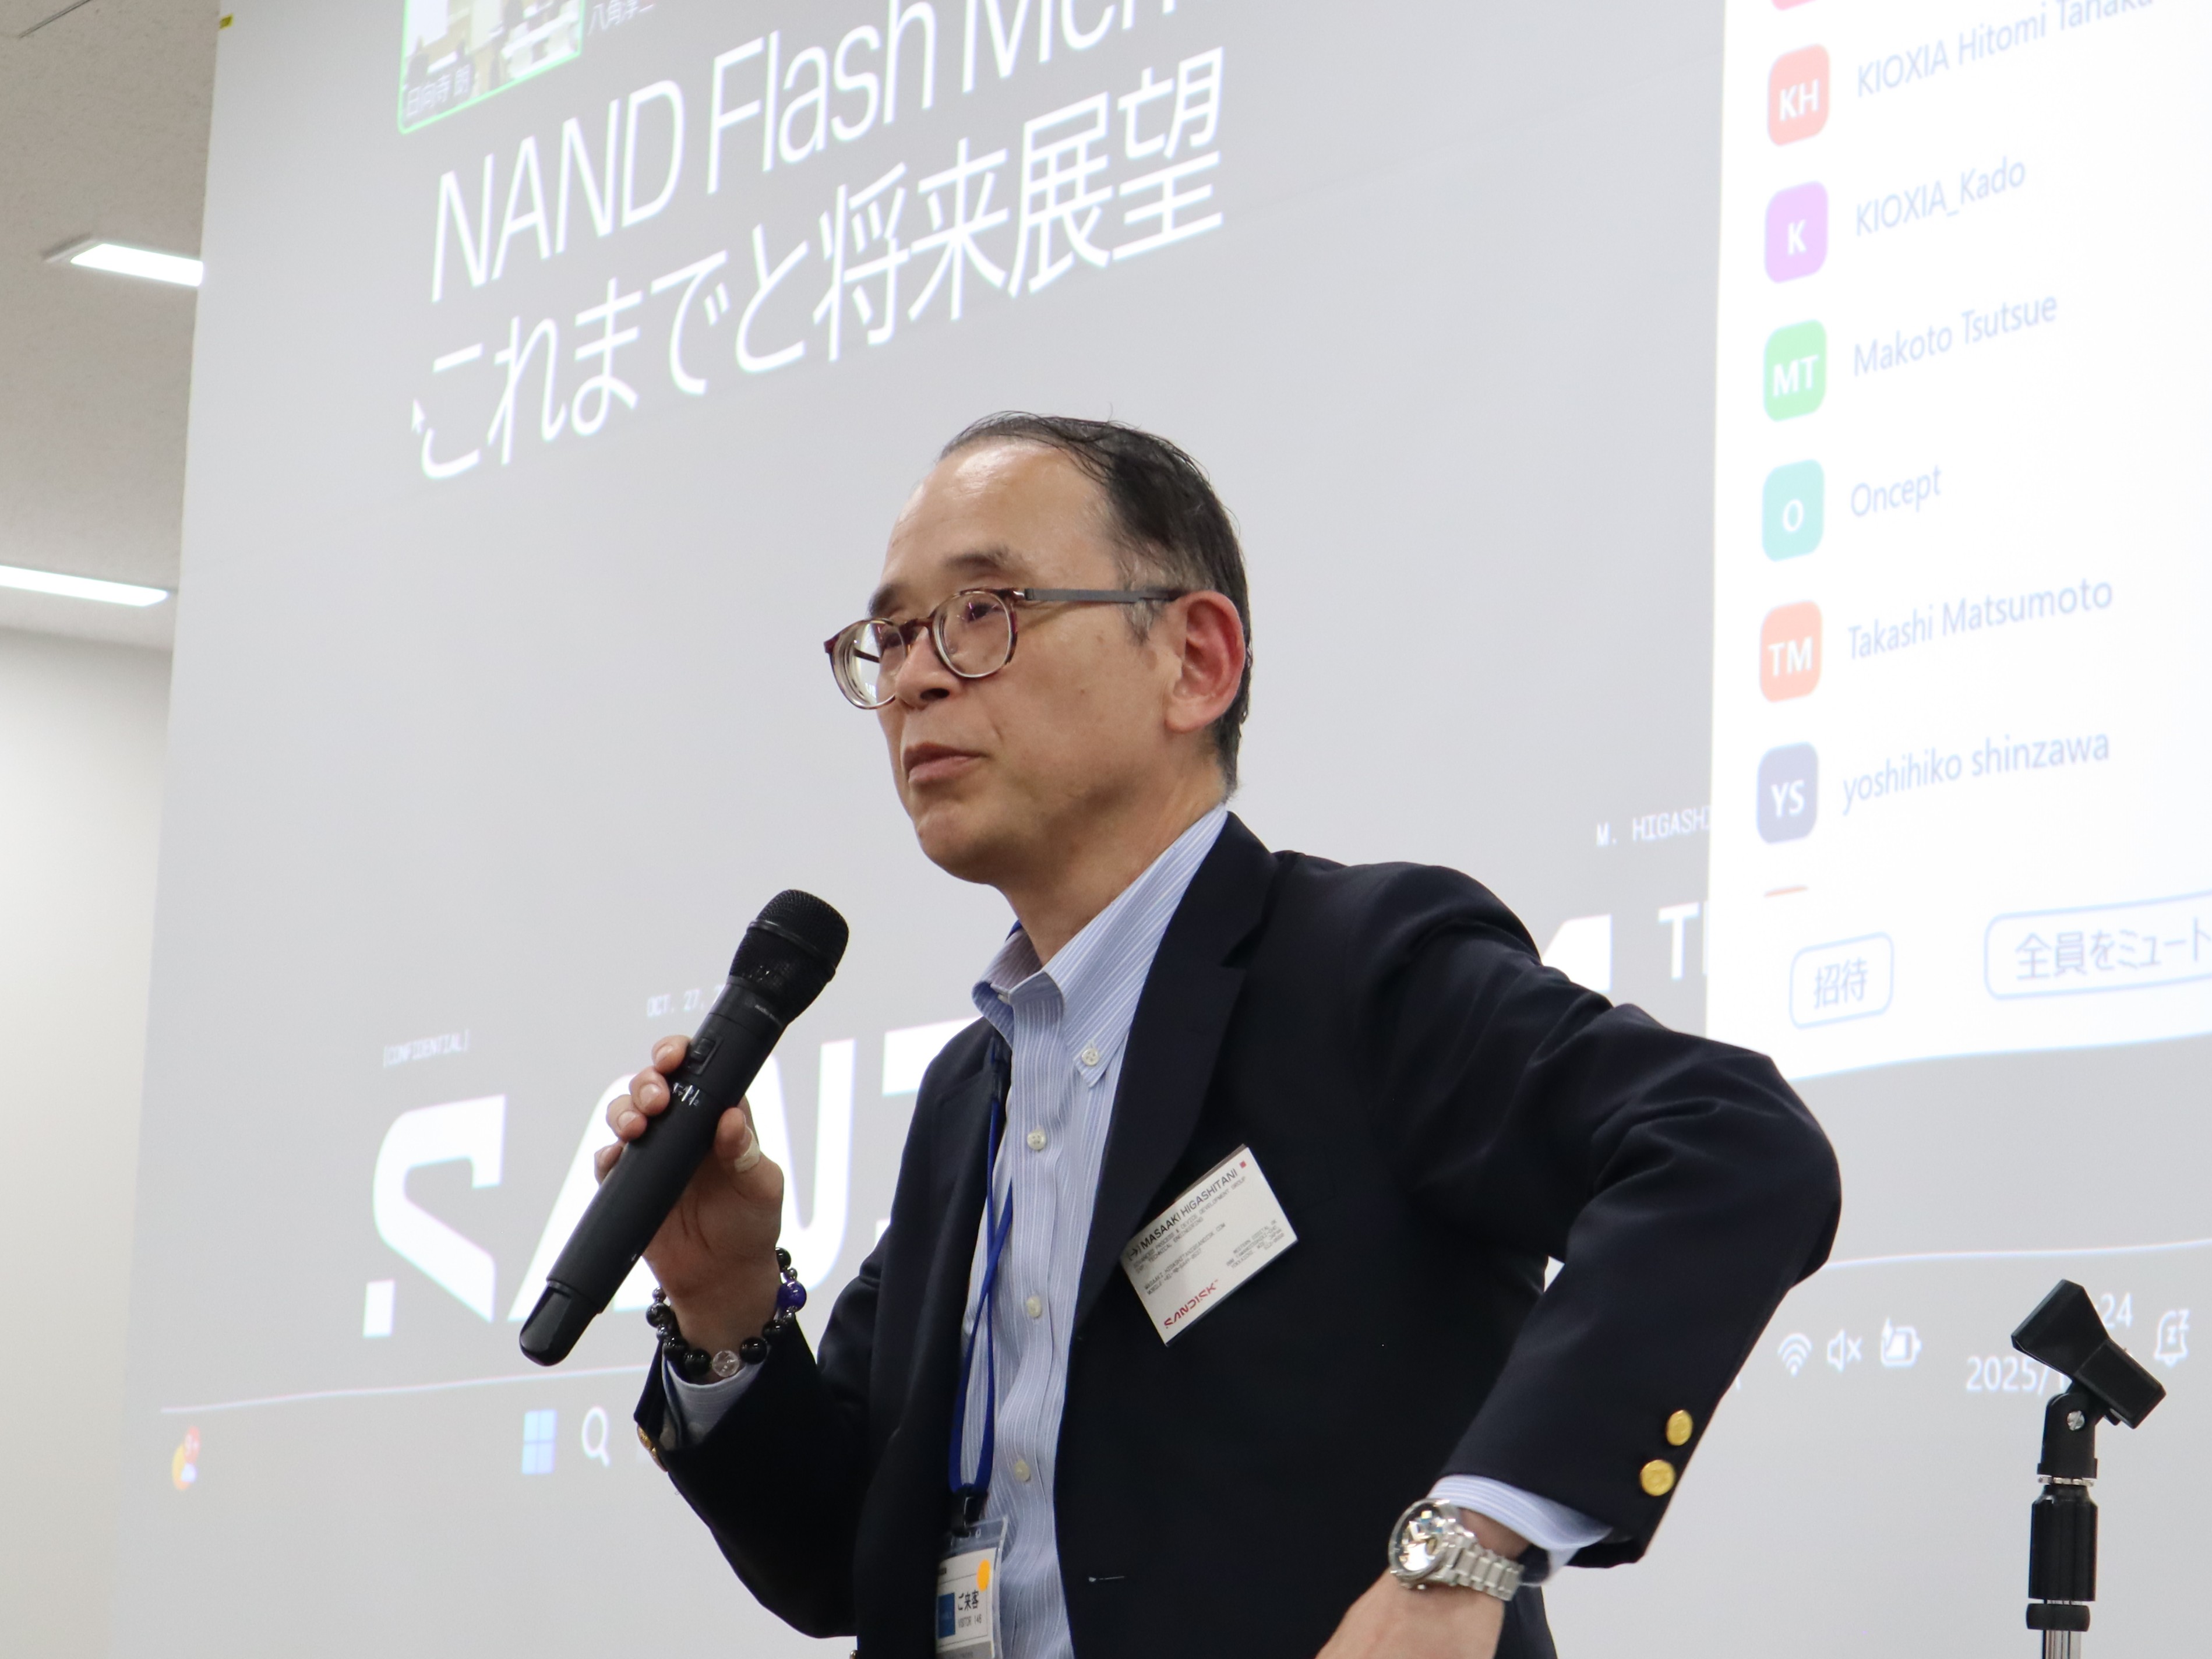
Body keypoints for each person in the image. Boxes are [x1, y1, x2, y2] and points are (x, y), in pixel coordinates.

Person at [601, 414, 1840, 1659]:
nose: (918, 676)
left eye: (983, 611)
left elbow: (1729, 1144)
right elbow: (839, 1562)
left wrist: (1467, 1548)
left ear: (1195, 662)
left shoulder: (1358, 968)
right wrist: (722, 1299)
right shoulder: (969, 1091)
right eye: (894, 635)